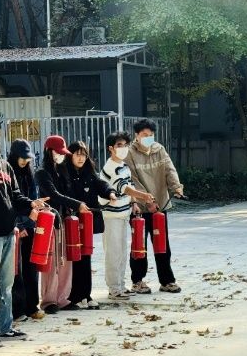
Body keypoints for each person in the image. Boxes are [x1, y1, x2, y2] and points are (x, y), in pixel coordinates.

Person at [0, 118, 47, 344]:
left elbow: (15, 195)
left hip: (8, 232)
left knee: (6, 284)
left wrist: (31, 204)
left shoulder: (5, 165)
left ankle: (4, 327)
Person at [123, 119, 186, 294]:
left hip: (160, 206)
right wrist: (147, 201)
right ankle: (138, 281)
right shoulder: (129, 153)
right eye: (145, 135)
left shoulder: (159, 149)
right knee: (139, 245)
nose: (148, 138)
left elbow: (169, 169)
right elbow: (132, 180)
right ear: (136, 135)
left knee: (162, 244)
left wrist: (176, 187)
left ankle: (167, 281)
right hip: (139, 208)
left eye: (151, 135)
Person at [34, 136, 89, 313]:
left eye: (63, 153)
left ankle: (62, 298)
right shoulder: (42, 173)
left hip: (65, 220)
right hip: (50, 220)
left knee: (65, 261)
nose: (61, 156)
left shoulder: (62, 170)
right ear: (48, 151)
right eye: (58, 152)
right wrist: (77, 204)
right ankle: (49, 300)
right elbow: (54, 195)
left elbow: (67, 192)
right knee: (51, 262)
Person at [98, 131, 155, 300]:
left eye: (125, 145)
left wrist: (134, 203)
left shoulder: (124, 166)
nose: (123, 148)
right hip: (111, 217)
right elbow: (124, 188)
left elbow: (130, 186)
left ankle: (121, 285)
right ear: (111, 148)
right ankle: (114, 288)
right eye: (119, 145)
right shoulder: (110, 167)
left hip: (123, 215)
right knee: (113, 253)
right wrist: (144, 196)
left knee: (122, 252)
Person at [65, 140, 116, 309]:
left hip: (87, 222)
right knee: (75, 259)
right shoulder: (64, 173)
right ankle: (74, 296)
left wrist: (110, 193)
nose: (81, 158)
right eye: (77, 154)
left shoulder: (89, 172)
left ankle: (86, 295)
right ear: (70, 155)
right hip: (71, 222)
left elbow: (101, 184)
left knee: (86, 258)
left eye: (84, 155)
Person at [8, 139, 43, 321]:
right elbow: (11, 202)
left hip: (31, 225)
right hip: (17, 227)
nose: (24, 161)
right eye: (22, 157)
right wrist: (19, 225)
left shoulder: (29, 173)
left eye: (27, 158)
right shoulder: (9, 171)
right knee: (17, 270)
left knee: (31, 268)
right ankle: (18, 309)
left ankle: (32, 306)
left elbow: (32, 198)